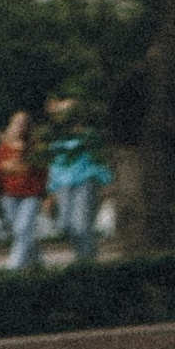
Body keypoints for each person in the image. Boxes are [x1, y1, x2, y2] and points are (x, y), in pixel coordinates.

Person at [42, 100, 112, 265]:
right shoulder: (56, 137)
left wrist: (106, 180)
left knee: (81, 225)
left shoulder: (88, 134)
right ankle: (84, 257)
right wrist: (51, 189)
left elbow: (98, 158)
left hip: (85, 180)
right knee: (64, 225)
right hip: (63, 184)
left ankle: (88, 262)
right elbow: (55, 164)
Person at [0, 111, 46, 273]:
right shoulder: (3, 149)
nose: (20, 127)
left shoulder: (35, 148)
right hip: (9, 196)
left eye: (23, 123)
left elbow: (42, 172)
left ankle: (13, 269)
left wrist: (45, 193)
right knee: (19, 231)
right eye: (17, 123)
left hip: (30, 195)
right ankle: (38, 264)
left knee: (23, 229)